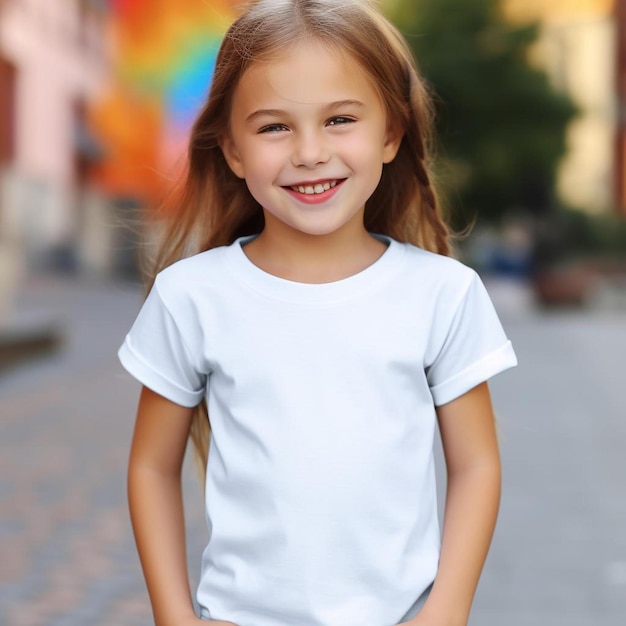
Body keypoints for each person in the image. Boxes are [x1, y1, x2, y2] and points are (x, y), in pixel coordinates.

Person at [118, 1, 518, 625]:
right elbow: (150, 466)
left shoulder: (444, 294)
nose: (309, 152)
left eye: (339, 120)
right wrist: (175, 618)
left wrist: (446, 612)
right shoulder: (191, 297)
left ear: (390, 134)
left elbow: (477, 466)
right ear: (232, 150)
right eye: (274, 127)